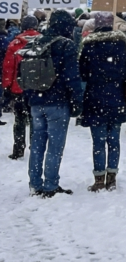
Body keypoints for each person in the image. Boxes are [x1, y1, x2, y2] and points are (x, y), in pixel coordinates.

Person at [21, 10, 82, 197]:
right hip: (57, 101)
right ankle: (50, 185)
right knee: (55, 146)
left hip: (36, 101)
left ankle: (34, 183)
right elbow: (72, 77)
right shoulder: (66, 45)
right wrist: (77, 100)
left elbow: (24, 73)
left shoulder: (36, 42)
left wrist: (28, 98)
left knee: (37, 144)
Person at [79, 12, 126, 192]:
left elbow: (82, 73)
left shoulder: (89, 46)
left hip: (95, 98)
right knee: (114, 140)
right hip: (117, 97)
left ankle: (99, 178)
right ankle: (112, 177)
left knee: (98, 141)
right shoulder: (122, 44)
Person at [2, 15, 41, 160]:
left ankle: (18, 148)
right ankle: (35, 146)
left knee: (19, 119)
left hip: (18, 88)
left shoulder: (15, 43)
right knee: (35, 119)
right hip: (37, 88)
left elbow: (8, 68)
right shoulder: (43, 42)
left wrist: (7, 86)